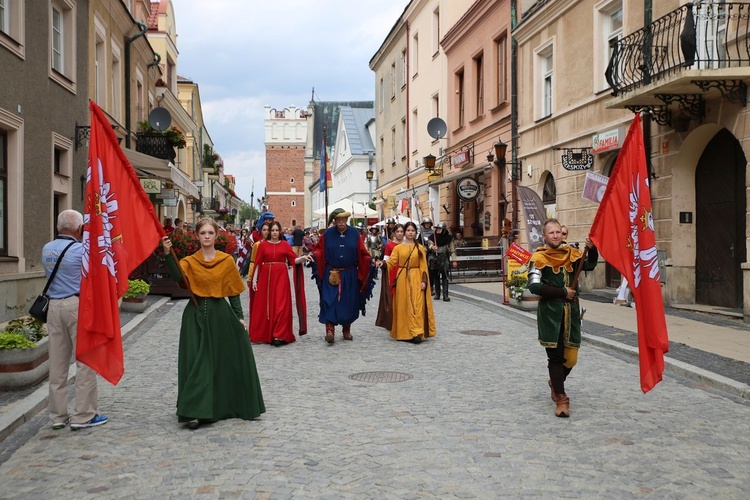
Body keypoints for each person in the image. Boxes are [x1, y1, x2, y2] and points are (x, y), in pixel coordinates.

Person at [161, 217, 265, 429]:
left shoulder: (226, 261)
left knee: (219, 363)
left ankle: (220, 406)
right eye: (203, 233)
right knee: (197, 362)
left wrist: (240, 318)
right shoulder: (190, 261)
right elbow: (177, 276)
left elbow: (233, 292)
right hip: (195, 317)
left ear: (216, 236)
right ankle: (194, 410)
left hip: (221, 317)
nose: (207, 237)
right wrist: (166, 254)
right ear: (197, 236)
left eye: (210, 233)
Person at [43, 210, 108, 431]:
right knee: (85, 361)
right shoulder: (81, 250)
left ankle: (58, 416)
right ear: (79, 229)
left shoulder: (47, 249)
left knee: (57, 364)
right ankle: (83, 415)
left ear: (58, 227)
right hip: (76, 306)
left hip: (53, 307)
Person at [527, 218, 598, 418]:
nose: (556, 236)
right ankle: (561, 397)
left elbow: (590, 265)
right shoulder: (538, 258)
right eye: (552, 233)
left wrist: (591, 249)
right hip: (551, 314)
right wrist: (561, 292)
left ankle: (555, 380)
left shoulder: (573, 255)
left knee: (572, 358)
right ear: (544, 236)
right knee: (556, 357)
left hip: (571, 314)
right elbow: (534, 286)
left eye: (558, 232)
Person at [309, 208, 377, 343]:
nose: (341, 222)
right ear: (334, 221)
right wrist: (313, 256)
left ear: (347, 220)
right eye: (338, 220)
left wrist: (370, 260)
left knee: (348, 301)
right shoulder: (327, 234)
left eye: (343, 219)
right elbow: (319, 250)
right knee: (329, 299)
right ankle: (330, 329)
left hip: (349, 273)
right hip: (331, 272)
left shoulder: (354, 233)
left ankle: (346, 329)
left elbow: (362, 252)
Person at [249, 221, 312, 346]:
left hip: (281, 278)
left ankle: (279, 335)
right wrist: (254, 280)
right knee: (266, 306)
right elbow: (257, 263)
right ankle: (267, 333)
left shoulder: (285, 245)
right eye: (272, 230)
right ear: (269, 232)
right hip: (265, 279)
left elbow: (293, 259)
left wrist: (303, 258)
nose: (274, 233)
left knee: (281, 306)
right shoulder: (262, 245)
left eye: (277, 230)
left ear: (280, 232)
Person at [385, 221, 436, 343]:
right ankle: (404, 333)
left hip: (416, 277)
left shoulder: (420, 248)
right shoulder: (398, 248)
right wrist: (382, 264)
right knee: (404, 305)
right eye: (408, 230)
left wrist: (424, 281)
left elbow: (424, 266)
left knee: (417, 304)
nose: (410, 233)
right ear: (405, 232)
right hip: (402, 278)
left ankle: (417, 332)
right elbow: (391, 262)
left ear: (415, 232)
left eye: (412, 230)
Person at [375, 223, 404, 330]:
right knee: (393, 294)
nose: (400, 234)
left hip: (404, 271)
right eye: (398, 232)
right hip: (393, 271)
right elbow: (386, 259)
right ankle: (392, 320)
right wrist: (382, 263)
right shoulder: (389, 245)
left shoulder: (407, 244)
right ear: (394, 233)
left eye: (401, 231)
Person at [432, 222, 456, 301]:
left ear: (443, 230)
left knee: (445, 276)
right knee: (436, 277)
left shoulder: (449, 238)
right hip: (435, 258)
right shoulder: (433, 237)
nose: (438, 230)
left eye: (439, 229)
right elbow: (429, 243)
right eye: (437, 229)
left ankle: (445, 295)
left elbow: (452, 250)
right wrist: (432, 247)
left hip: (444, 258)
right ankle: (437, 294)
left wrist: (454, 260)